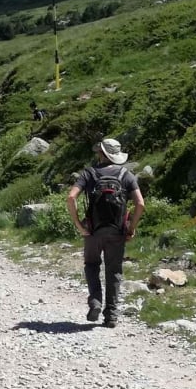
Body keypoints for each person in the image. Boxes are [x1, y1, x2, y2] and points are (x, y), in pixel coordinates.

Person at [66, 137, 145, 328]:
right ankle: (111, 316)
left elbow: (71, 197)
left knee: (91, 265)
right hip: (117, 231)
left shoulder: (89, 173)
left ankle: (95, 302)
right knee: (114, 271)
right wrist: (130, 228)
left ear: (101, 153)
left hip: (93, 231)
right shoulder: (127, 175)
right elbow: (140, 204)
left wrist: (79, 224)